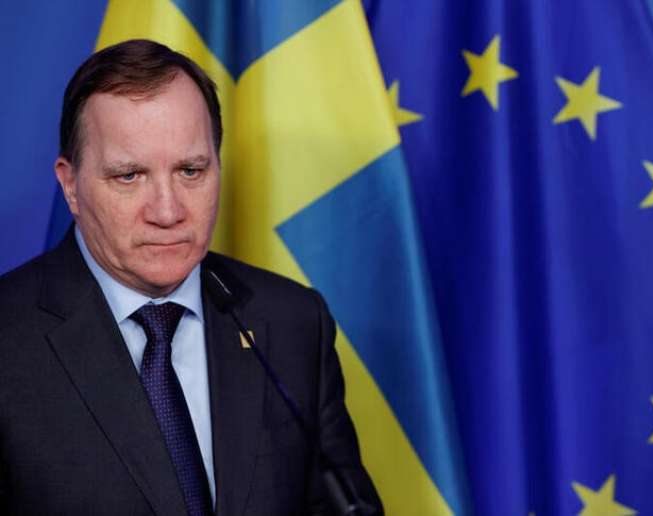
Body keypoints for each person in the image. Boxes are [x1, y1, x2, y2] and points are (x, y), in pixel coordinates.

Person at [0, 39, 381, 516]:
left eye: (190, 170)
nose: (168, 211)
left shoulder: (292, 321)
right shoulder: (9, 340)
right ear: (71, 184)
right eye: (129, 176)